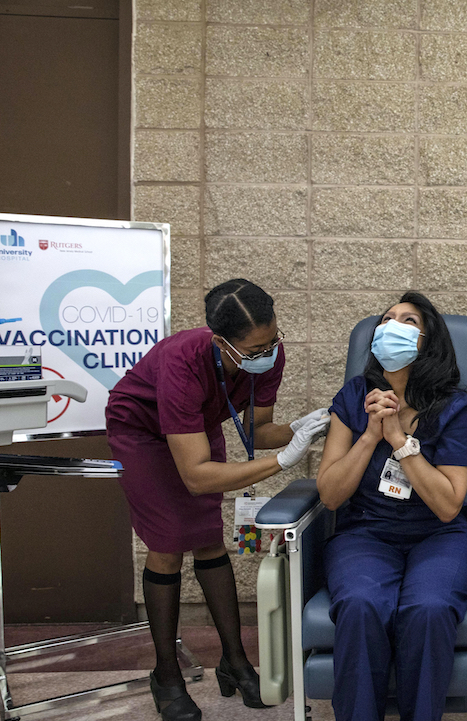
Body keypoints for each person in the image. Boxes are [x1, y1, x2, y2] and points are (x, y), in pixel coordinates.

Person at [106, 279, 330, 721]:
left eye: (273, 341)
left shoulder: (267, 355)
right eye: (253, 350)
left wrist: (303, 427)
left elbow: (257, 429)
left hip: (195, 425)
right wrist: (284, 461)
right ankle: (166, 674)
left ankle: (234, 660)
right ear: (220, 341)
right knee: (168, 546)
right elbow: (196, 476)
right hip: (142, 432)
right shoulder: (180, 360)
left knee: (209, 539)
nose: (266, 354)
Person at [316, 291, 467, 721]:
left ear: (428, 341)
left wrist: (399, 440)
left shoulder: (453, 405)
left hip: (441, 535)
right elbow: (332, 495)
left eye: (408, 320)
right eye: (387, 319)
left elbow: (448, 505)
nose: (392, 326)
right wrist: (371, 434)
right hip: (365, 533)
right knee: (359, 604)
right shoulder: (355, 397)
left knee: (428, 608)